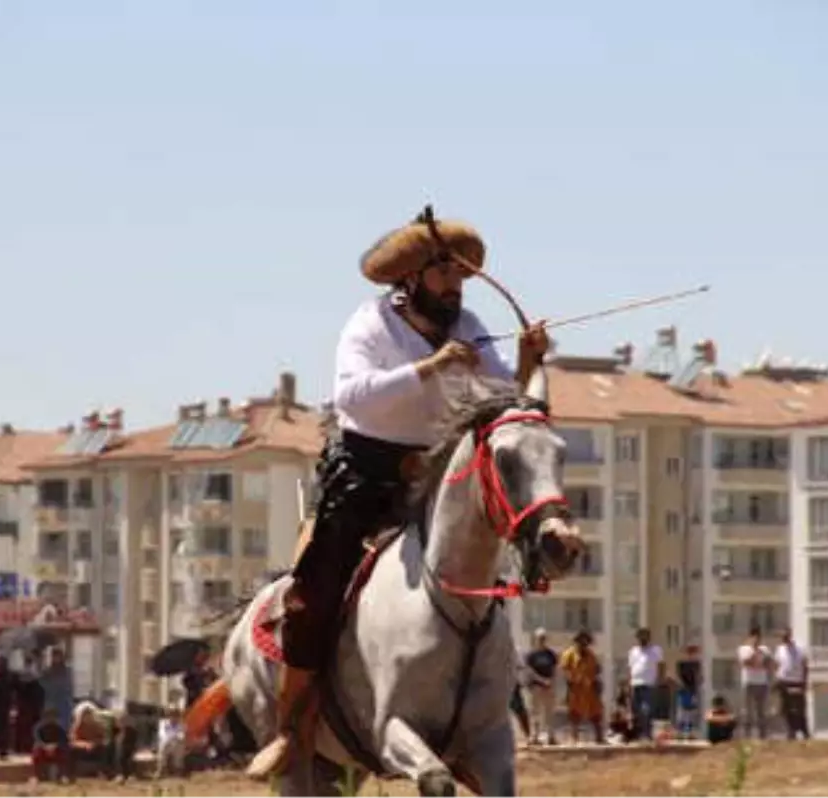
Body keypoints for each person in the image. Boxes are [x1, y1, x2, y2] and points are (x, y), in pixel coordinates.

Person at [247, 208, 551, 778]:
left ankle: (486, 707)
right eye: (445, 276)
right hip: (367, 473)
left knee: (482, 555)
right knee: (316, 587)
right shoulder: (369, 325)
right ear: (410, 278)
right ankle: (293, 724)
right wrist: (430, 368)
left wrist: (529, 362)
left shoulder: (469, 324)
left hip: (435, 474)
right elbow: (353, 398)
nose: (456, 289)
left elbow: (497, 389)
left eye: (461, 278)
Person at [559, 630, 604, 743]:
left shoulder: (591, 654)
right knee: (575, 713)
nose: (584, 643)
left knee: (596, 713)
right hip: (576, 688)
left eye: (586, 641)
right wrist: (570, 681)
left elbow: (597, 669)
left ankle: (599, 737)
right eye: (581, 641)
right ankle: (574, 737)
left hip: (590, 687)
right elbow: (564, 670)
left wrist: (597, 681)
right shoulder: (569, 654)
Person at [627, 628, 665, 741]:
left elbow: (661, 665)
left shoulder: (655, 650)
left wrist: (659, 680)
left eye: (644, 636)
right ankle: (637, 734)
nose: (642, 639)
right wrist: (628, 684)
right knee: (635, 710)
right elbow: (630, 668)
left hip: (649, 683)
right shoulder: (633, 651)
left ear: (648, 638)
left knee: (647, 710)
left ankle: (647, 733)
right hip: (635, 683)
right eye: (640, 637)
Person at [773, 628, 810, 740]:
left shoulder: (799, 649)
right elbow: (777, 664)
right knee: (786, 708)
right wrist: (777, 679)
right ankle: (791, 731)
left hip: (797, 681)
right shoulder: (780, 649)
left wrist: (804, 682)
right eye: (782, 637)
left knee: (799, 708)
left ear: (790, 635)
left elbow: (805, 665)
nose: (784, 639)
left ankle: (804, 731)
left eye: (785, 636)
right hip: (784, 681)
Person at [736, 626, 773, 739]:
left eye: (758, 637)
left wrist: (760, 661)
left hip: (762, 682)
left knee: (761, 711)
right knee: (747, 711)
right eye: (754, 637)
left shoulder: (765, 650)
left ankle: (763, 736)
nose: (757, 640)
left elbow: (768, 664)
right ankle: (747, 736)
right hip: (749, 682)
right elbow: (745, 663)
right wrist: (754, 652)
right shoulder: (743, 649)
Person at [524, 628, 559, 745]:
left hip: (549, 687)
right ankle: (535, 736)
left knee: (549, 712)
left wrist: (551, 682)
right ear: (536, 639)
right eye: (540, 638)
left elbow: (554, 670)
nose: (542, 640)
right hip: (536, 686)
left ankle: (551, 736)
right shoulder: (531, 655)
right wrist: (542, 680)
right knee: (535, 712)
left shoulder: (551, 654)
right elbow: (529, 671)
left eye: (544, 638)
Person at [31, 707, 70, 783]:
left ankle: (63, 775)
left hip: (56, 748)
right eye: (48, 716)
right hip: (43, 748)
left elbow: (64, 740)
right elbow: (37, 739)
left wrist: (55, 746)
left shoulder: (60, 729)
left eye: (53, 717)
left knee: (64, 752)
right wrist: (45, 746)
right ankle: (36, 776)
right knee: (36, 751)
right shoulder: (39, 728)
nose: (51, 719)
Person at [674, 645, 701, 740]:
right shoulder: (682, 663)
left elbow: (697, 677)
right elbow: (678, 676)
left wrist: (696, 689)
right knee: (683, 711)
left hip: (692, 689)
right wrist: (681, 685)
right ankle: (680, 732)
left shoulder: (696, 663)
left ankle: (689, 731)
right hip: (684, 689)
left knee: (691, 712)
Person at [155, 706, 187, 778]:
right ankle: (161, 769)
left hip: (176, 743)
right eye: (171, 714)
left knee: (180, 745)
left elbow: (182, 735)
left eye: (175, 714)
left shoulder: (182, 724)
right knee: (163, 745)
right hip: (166, 742)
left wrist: (176, 738)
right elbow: (162, 734)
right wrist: (172, 738)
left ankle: (178, 768)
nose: (173, 716)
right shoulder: (163, 723)